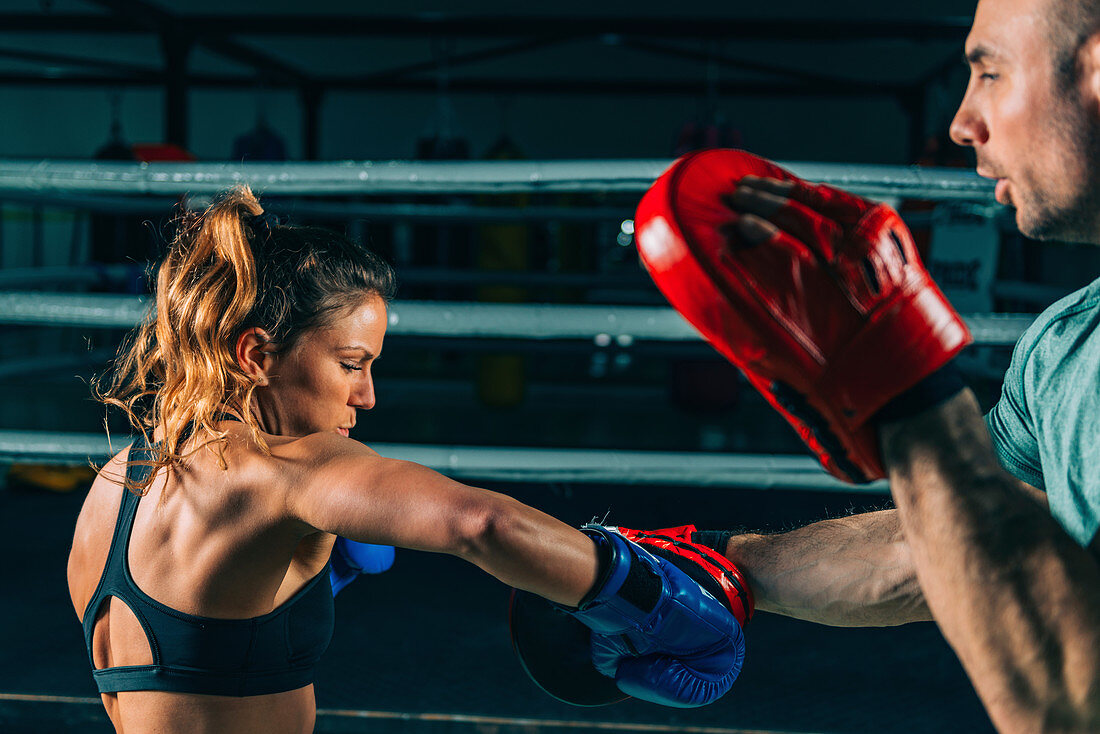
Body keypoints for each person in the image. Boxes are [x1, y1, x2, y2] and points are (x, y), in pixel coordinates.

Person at [65, 187, 747, 733]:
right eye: (350, 364)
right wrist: (658, 605)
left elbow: (183, 660)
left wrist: (292, 589)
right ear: (255, 355)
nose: (366, 395)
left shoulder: (115, 485)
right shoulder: (286, 473)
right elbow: (483, 525)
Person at [632, 0, 1100, 731]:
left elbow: (1076, 701)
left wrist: (912, 394)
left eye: (989, 71)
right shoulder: (1067, 344)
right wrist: (714, 571)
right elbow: (951, 545)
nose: (961, 123)